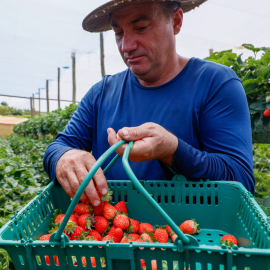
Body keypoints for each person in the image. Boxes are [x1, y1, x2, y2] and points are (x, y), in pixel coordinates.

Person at [43, 0, 255, 207]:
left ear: (176, 21)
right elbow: (58, 147)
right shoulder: (101, 93)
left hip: (189, 235)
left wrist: (173, 151)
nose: (126, 46)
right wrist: (64, 156)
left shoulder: (214, 83)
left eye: (141, 27)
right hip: (112, 234)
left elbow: (241, 181)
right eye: (118, 33)